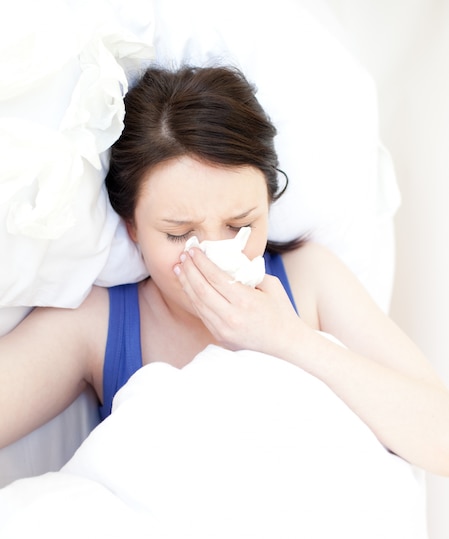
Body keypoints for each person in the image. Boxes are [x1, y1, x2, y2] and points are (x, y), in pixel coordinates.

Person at [1, 64, 449, 475]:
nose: (216, 253)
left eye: (241, 224)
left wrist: (289, 341)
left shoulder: (311, 280)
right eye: (179, 234)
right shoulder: (97, 323)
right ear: (132, 228)